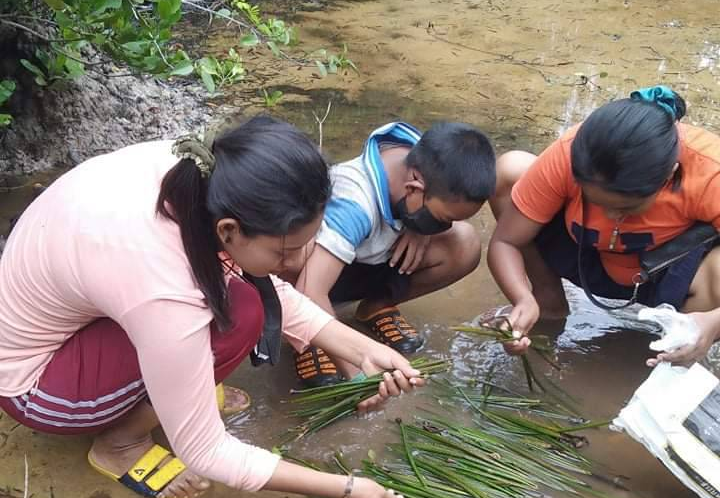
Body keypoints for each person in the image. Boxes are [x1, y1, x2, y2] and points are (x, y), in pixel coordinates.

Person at [0, 115, 424, 498]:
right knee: (236, 315)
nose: (296, 263)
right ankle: (120, 443)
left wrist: (366, 350)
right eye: (284, 252)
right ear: (227, 230)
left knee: (242, 300)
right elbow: (205, 451)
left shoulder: (201, 169)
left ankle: (173, 390)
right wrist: (347, 489)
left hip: (86, 316)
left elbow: (269, 288)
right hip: (36, 388)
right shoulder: (163, 288)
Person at [488, 86, 720, 366]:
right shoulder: (571, 153)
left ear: (668, 177)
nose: (610, 216)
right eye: (594, 201)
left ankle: (675, 341)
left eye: (626, 208)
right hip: (584, 256)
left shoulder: (710, 172)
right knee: (512, 169)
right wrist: (523, 298)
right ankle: (548, 301)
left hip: (662, 274)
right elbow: (506, 241)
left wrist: (713, 322)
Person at [289, 120, 495, 386]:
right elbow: (311, 289)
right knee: (298, 251)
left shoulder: (428, 159)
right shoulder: (354, 203)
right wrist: (356, 372)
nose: (441, 227)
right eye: (440, 219)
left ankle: (376, 306)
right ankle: (307, 338)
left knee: (464, 243)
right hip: (318, 275)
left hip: (375, 258)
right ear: (413, 187)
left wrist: (422, 228)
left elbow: (438, 212)